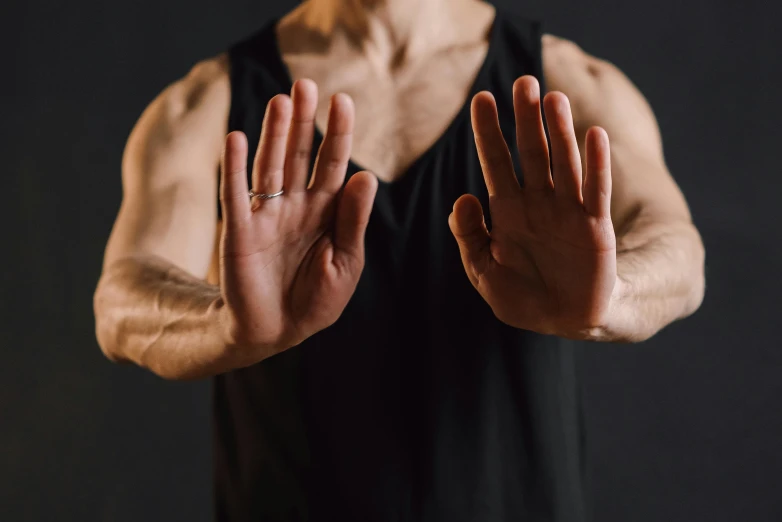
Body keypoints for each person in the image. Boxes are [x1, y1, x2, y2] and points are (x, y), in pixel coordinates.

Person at [93, 0, 706, 519]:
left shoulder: (574, 83)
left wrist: (611, 296)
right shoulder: (206, 103)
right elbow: (122, 299)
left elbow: (677, 248)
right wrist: (224, 323)